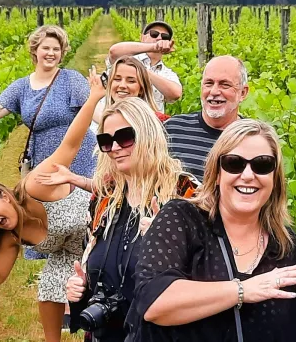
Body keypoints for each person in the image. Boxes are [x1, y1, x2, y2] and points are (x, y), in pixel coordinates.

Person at [131, 119, 296, 341]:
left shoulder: (285, 247)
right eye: (234, 163)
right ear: (216, 174)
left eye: (262, 165)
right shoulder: (182, 220)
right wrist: (243, 290)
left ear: (274, 178)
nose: (248, 175)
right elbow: (154, 301)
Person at [0, 68, 105, 342]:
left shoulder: (35, 186)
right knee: (49, 282)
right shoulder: (12, 235)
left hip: (103, 233)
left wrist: (93, 99)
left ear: (7, 197)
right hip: (72, 257)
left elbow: (69, 144)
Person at [58, 98, 198, 342]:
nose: (114, 147)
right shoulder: (105, 199)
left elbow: (206, 276)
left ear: (147, 134)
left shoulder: (184, 194)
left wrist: (166, 239)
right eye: (105, 141)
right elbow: (94, 265)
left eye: (124, 137)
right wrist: (80, 291)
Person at [0, 25, 98, 264]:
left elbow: (94, 113)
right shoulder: (22, 86)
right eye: (46, 48)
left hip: (80, 155)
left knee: (85, 213)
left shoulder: (71, 79)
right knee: (53, 218)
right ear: (35, 51)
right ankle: (61, 268)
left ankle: (89, 267)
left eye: (57, 49)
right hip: (44, 157)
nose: (51, 53)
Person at [164, 55, 249, 181]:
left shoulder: (253, 138)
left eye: (224, 85)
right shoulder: (172, 129)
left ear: (243, 93)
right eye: (208, 83)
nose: (214, 91)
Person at [106, 21, 182, 112]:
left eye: (165, 37)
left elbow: (175, 94)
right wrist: (154, 47)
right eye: (154, 34)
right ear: (142, 37)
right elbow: (114, 52)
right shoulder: (126, 60)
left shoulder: (167, 73)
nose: (159, 38)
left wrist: (143, 71)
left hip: (148, 125)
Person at [91, 55, 169, 134]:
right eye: (117, 79)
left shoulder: (156, 123)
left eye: (131, 81)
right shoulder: (101, 117)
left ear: (141, 89)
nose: (122, 85)